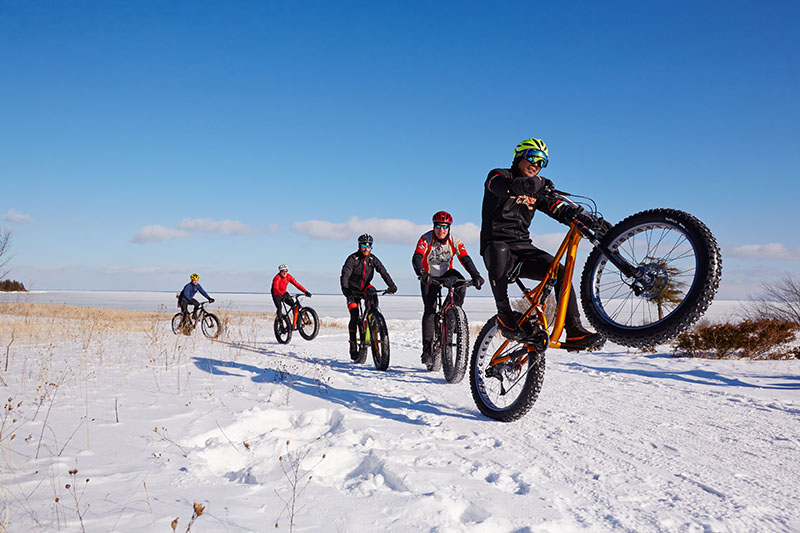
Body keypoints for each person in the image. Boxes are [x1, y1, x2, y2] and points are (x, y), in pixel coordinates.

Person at [480, 138, 603, 350]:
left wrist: (585, 218)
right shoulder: (499, 175)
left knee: (560, 272)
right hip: (496, 247)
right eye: (532, 157)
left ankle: (573, 330)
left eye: (542, 161)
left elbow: (557, 209)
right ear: (519, 156)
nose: (536, 164)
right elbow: (503, 187)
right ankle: (504, 313)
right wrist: (532, 185)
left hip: (523, 249)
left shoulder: (536, 189)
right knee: (500, 248)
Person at [412, 210, 485, 369]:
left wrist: (476, 275)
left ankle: (451, 315)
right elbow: (417, 257)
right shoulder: (426, 239)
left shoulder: (454, 240)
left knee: (460, 282)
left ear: (449, 227)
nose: (441, 229)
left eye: (445, 226)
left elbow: (464, 257)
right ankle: (427, 350)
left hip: (446, 274)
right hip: (429, 276)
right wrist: (422, 273)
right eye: (438, 226)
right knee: (430, 311)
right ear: (434, 226)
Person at [340, 233, 398, 360]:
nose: (366, 248)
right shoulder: (352, 259)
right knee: (354, 316)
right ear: (359, 246)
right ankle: (353, 344)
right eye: (364, 245)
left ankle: (373, 319)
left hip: (365, 287)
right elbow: (345, 275)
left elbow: (383, 272)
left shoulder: (373, 259)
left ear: (371, 247)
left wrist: (392, 285)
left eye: (369, 245)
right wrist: (346, 289)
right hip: (352, 290)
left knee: (372, 293)